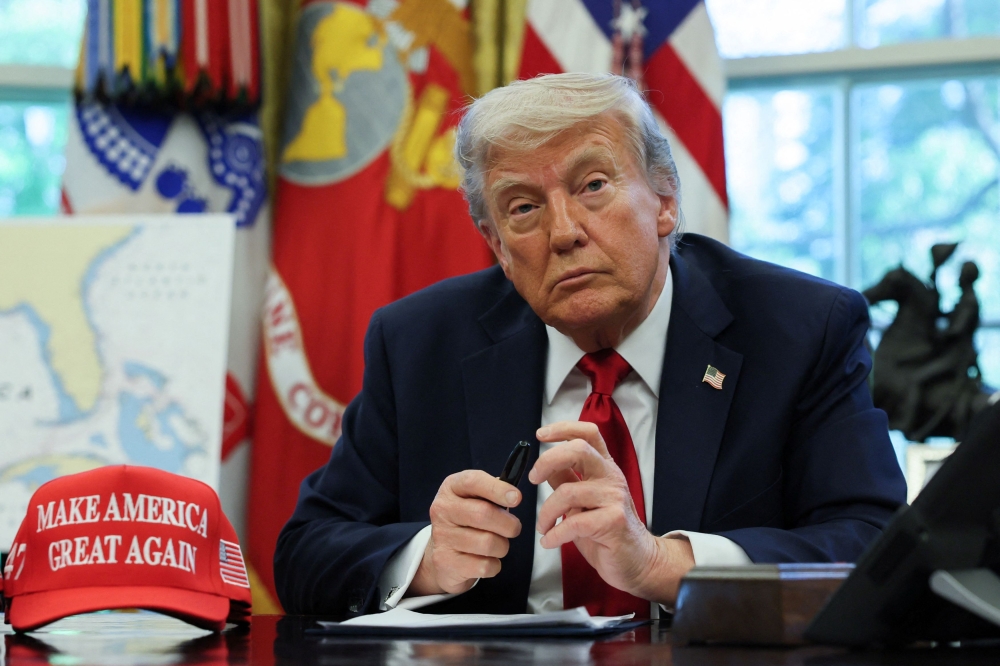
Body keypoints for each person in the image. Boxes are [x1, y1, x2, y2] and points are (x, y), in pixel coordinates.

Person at [274, 73, 906, 618]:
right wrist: (427, 559)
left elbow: (876, 547)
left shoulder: (799, 328)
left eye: (594, 185)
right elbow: (306, 551)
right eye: (523, 208)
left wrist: (661, 564)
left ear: (664, 201)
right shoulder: (420, 343)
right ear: (497, 246)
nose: (564, 232)